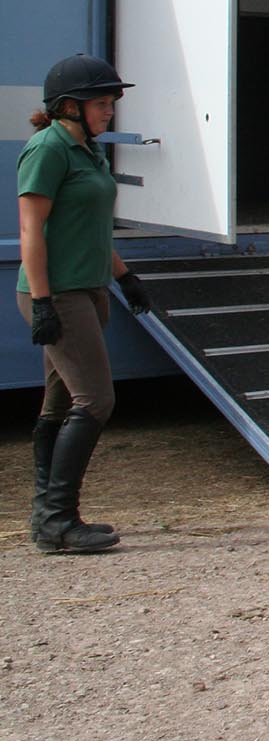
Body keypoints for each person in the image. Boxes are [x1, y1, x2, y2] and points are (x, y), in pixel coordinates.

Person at [16, 54, 153, 554]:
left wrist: (124, 276)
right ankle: (59, 519)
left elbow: (89, 228)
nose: (110, 110)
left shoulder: (89, 151)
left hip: (90, 289)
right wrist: (43, 301)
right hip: (59, 293)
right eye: (101, 102)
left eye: (111, 102)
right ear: (69, 106)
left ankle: (47, 519)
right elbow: (31, 230)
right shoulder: (48, 149)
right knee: (96, 400)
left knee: (59, 404)